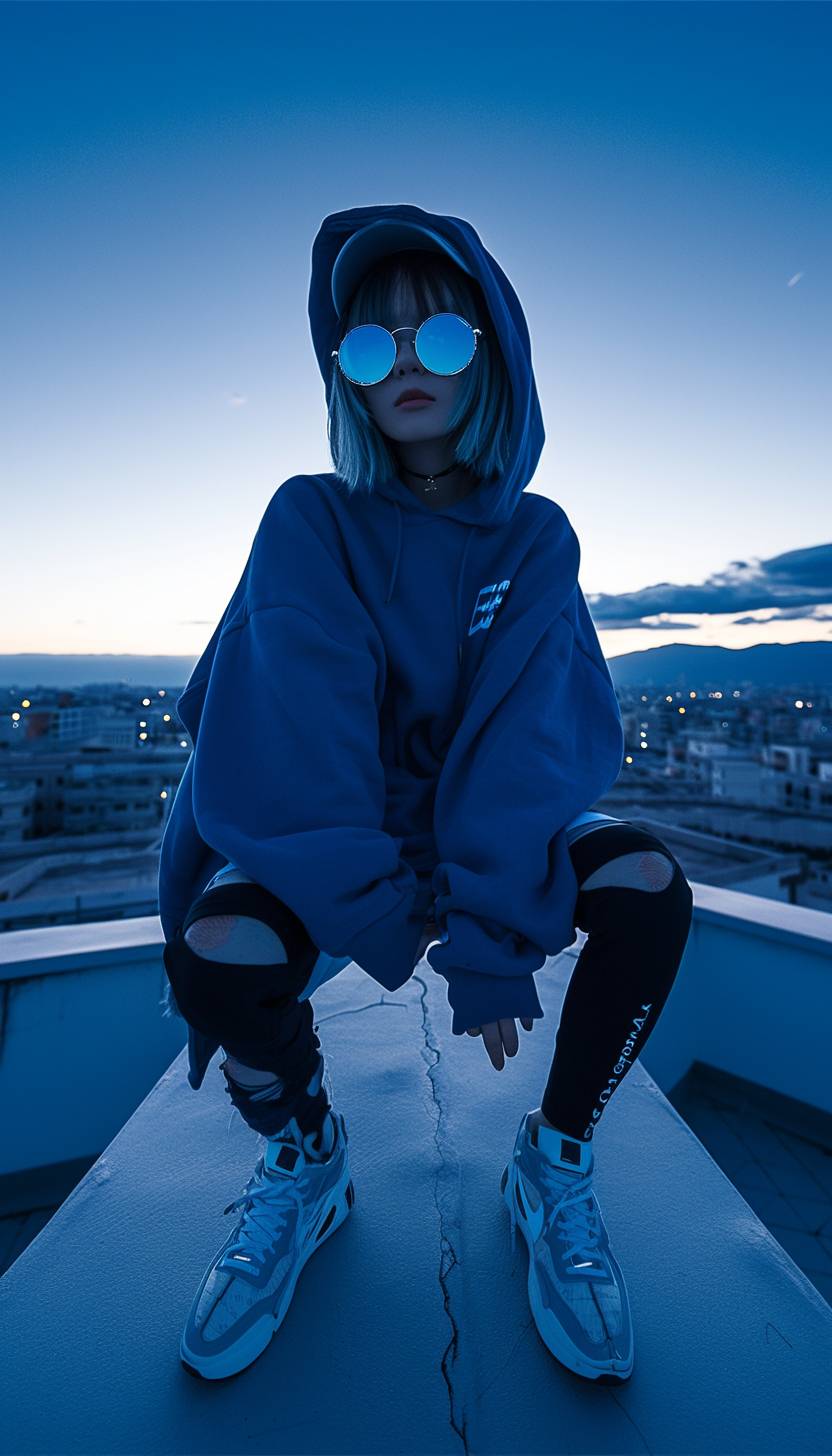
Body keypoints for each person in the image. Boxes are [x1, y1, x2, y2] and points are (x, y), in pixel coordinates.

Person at [157, 203, 694, 1386]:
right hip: (360, 833)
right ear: (341, 374)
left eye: (440, 337)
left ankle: (553, 1161)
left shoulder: (536, 539)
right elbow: (300, 739)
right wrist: (388, 924)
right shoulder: (311, 518)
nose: (403, 362)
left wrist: (493, 943)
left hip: (490, 836)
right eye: (368, 343)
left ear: (491, 352)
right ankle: (307, 1158)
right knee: (220, 947)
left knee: (649, 883)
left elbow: (527, 746)